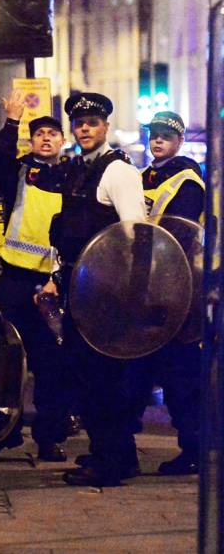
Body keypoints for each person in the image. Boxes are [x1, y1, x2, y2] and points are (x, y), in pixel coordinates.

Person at [42, 92, 147, 487]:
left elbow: (135, 234)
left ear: (105, 127)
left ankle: (110, 461)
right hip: (77, 284)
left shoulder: (118, 171)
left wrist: (125, 292)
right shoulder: (80, 169)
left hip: (105, 291)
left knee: (103, 378)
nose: (84, 129)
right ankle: (113, 451)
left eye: (92, 123)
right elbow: (69, 233)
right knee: (87, 376)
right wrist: (56, 276)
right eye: (79, 123)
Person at [0, 90, 71, 462]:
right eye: (39, 134)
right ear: (31, 141)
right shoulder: (18, 171)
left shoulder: (74, 176)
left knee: (51, 364)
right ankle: (2, 432)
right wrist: (12, 122)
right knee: (5, 360)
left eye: (52, 134)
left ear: (62, 141)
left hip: (52, 284)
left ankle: (49, 437)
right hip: (14, 280)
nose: (46, 139)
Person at [131, 110, 204, 475]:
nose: (157, 140)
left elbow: (181, 234)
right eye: (154, 135)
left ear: (179, 141)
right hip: (144, 283)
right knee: (135, 368)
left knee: (180, 374)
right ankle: (121, 445)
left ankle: (192, 448)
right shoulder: (143, 176)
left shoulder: (187, 180)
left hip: (177, 286)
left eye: (165, 136)